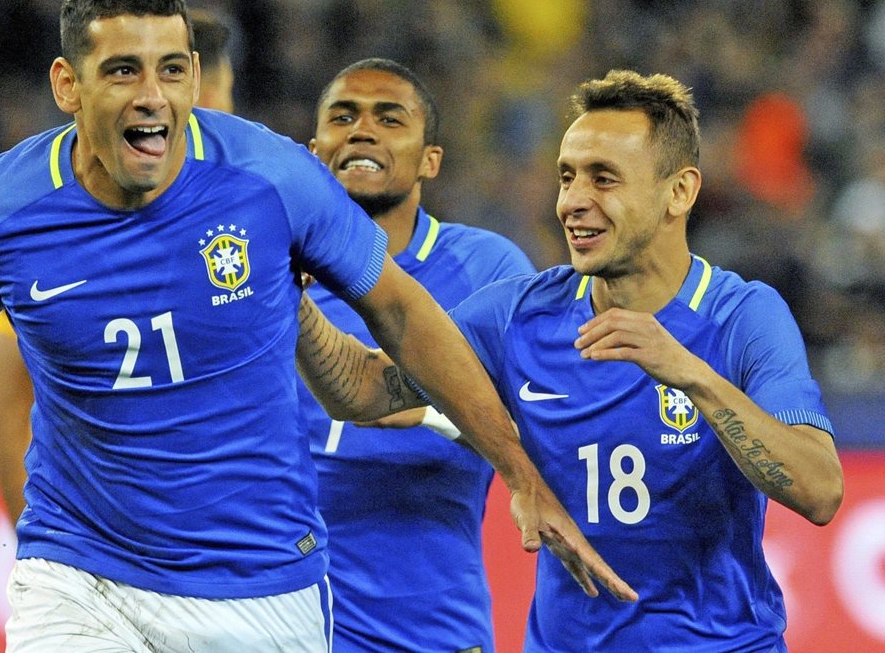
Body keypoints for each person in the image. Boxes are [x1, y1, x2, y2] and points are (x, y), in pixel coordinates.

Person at [0, 0, 633, 652]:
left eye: (172, 70)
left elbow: (403, 315)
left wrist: (519, 471)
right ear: (68, 85)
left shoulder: (270, 182)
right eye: (123, 71)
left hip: (257, 583)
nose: (153, 96)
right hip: (80, 571)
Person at [295, 69, 844, 651]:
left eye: (603, 178)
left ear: (679, 192)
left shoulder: (742, 316)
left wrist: (691, 374)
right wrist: (290, 294)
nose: (573, 202)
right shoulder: (518, 316)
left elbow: (819, 492)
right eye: (566, 177)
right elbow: (364, 392)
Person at [301, 58, 533, 652]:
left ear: (431, 159)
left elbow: (542, 431)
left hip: (428, 628)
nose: (362, 130)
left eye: (389, 119)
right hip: (282, 620)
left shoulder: (488, 270)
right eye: (343, 117)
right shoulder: (266, 273)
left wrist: (432, 410)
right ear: (313, 151)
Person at [0, 9, 238, 527]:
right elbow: (2, 405)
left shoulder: (263, 210)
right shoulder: (58, 229)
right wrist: (50, 541)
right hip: (146, 534)